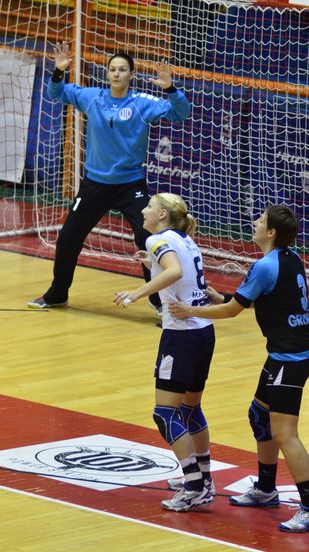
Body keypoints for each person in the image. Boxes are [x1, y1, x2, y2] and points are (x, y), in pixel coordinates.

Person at [170, 205, 309, 533]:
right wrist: (224, 297)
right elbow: (267, 297)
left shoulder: (265, 265)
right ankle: (266, 489)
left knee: (285, 433)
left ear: (271, 232)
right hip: (288, 353)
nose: (254, 222)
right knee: (259, 415)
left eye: (261, 220)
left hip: (290, 358)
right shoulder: (291, 258)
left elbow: (233, 312)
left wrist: (190, 310)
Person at [29, 43, 191, 313]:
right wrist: (59, 71)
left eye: (122, 69)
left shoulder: (142, 103)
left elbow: (181, 113)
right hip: (95, 183)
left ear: (131, 74)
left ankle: (159, 303)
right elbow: (55, 93)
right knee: (68, 236)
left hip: (130, 184)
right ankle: (57, 294)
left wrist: (170, 89)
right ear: (107, 73)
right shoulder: (92, 97)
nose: (116, 73)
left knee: (148, 238)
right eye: (112, 69)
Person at [113, 193, 216, 512]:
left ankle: (194, 485)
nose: (143, 210)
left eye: (149, 207)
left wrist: (136, 293)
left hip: (181, 335)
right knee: (190, 410)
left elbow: (173, 272)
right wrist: (152, 262)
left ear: (161, 215)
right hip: (203, 331)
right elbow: (180, 272)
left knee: (165, 413)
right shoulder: (185, 239)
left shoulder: (157, 239)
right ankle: (204, 479)